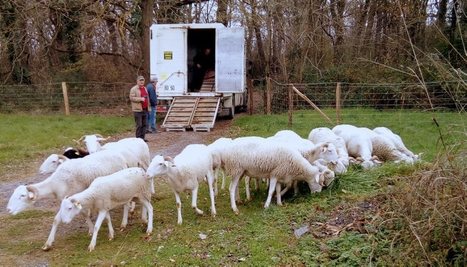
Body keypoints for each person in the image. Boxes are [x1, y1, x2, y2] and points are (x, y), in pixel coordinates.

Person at [129, 75, 150, 142]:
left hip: (145, 109)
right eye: (140, 80)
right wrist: (140, 99)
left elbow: (147, 98)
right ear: (137, 81)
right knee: (139, 125)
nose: (141, 82)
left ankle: (142, 138)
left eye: (142, 80)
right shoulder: (133, 89)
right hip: (138, 110)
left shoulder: (145, 88)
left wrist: (148, 106)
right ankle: (138, 139)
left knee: (144, 125)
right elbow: (131, 98)